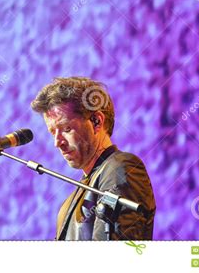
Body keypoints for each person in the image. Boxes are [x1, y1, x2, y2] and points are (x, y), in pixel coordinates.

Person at [31, 76, 156, 240]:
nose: (57, 142)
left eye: (66, 128)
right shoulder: (79, 192)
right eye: (53, 132)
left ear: (96, 121)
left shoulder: (121, 168)